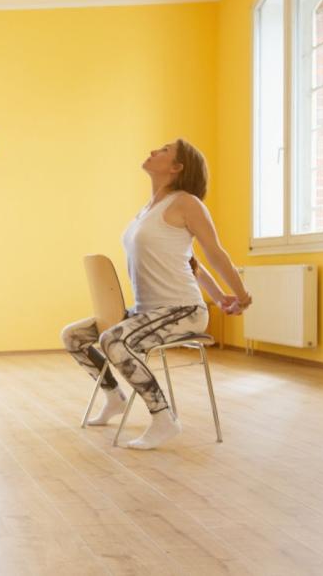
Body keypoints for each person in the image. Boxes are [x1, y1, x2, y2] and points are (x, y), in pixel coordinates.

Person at [61, 139, 251, 450]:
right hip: (147, 312)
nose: (153, 151)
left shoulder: (187, 203)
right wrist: (218, 297)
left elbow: (215, 253)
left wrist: (240, 295)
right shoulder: (148, 210)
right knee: (73, 337)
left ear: (177, 167)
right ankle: (114, 398)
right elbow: (191, 262)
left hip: (183, 311)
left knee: (114, 340)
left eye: (163, 150)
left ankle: (164, 418)